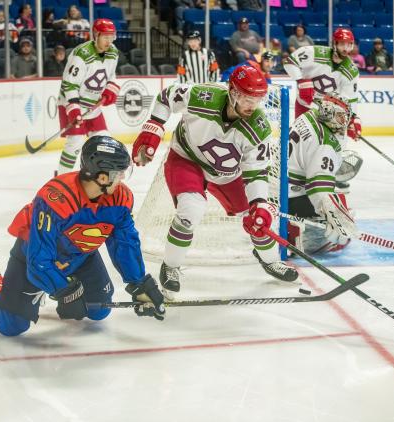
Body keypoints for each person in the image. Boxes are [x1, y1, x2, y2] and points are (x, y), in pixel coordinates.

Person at [0, 136, 165, 336]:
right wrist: (64, 291)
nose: (121, 180)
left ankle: (57, 281)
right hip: (35, 256)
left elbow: (125, 244)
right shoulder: (56, 198)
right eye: (118, 174)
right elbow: (38, 259)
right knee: (11, 326)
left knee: (99, 309)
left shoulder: (121, 198)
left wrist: (139, 284)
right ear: (102, 177)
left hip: (80, 255)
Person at [131, 65, 299, 299]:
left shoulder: (259, 128)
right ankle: (171, 266)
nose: (251, 105)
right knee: (191, 209)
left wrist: (259, 203)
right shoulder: (202, 96)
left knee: (258, 218)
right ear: (231, 91)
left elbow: (257, 173)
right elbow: (166, 97)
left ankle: (270, 260)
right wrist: (153, 127)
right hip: (187, 159)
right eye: (245, 97)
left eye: (257, 99)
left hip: (227, 174)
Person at [286, 94, 357, 254]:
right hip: (288, 198)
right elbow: (318, 188)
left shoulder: (308, 115)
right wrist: (335, 217)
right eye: (340, 116)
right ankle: (308, 241)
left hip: (275, 187)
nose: (344, 122)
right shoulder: (326, 143)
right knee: (343, 210)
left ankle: (287, 224)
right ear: (328, 112)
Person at [57, 18, 120, 173]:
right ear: (96, 35)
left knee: (104, 140)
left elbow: (111, 76)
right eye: (105, 37)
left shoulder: (113, 52)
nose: (109, 41)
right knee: (76, 143)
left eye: (111, 36)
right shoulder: (81, 54)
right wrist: (74, 110)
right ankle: (61, 176)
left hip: (93, 107)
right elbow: (69, 84)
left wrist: (111, 90)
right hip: (71, 103)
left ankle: (95, 175)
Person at [284, 28, 361, 143]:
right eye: (342, 44)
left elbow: (349, 100)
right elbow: (289, 62)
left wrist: (353, 119)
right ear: (334, 43)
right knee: (300, 141)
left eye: (349, 45)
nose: (346, 49)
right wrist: (300, 81)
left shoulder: (352, 71)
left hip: (329, 112)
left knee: (333, 143)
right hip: (305, 105)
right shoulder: (315, 53)